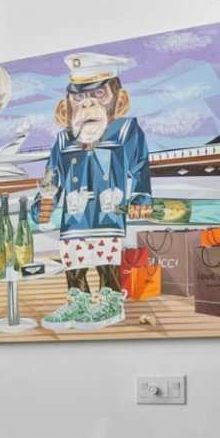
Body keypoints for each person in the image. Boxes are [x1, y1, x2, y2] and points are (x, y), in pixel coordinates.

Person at [37, 52, 150, 326]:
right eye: (78, 97)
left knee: (105, 261)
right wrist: (43, 205)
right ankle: (79, 303)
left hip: (107, 217)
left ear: (118, 100)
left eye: (98, 94)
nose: (87, 104)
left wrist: (140, 195)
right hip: (74, 221)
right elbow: (52, 179)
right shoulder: (64, 140)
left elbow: (140, 165)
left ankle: (111, 303)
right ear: (67, 105)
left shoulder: (126, 131)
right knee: (74, 262)